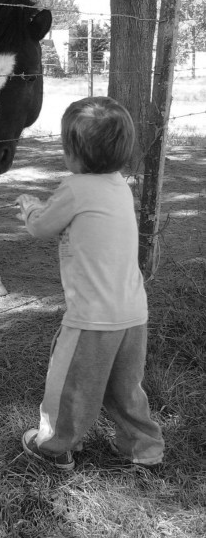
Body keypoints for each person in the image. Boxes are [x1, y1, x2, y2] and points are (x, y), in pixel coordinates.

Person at [16, 96, 164, 472]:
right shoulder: (119, 185)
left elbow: (41, 227)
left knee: (70, 386)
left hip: (90, 319)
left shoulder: (75, 188)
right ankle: (144, 449)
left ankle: (55, 447)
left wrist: (30, 206)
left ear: (74, 153)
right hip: (133, 313)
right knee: (126, 389)